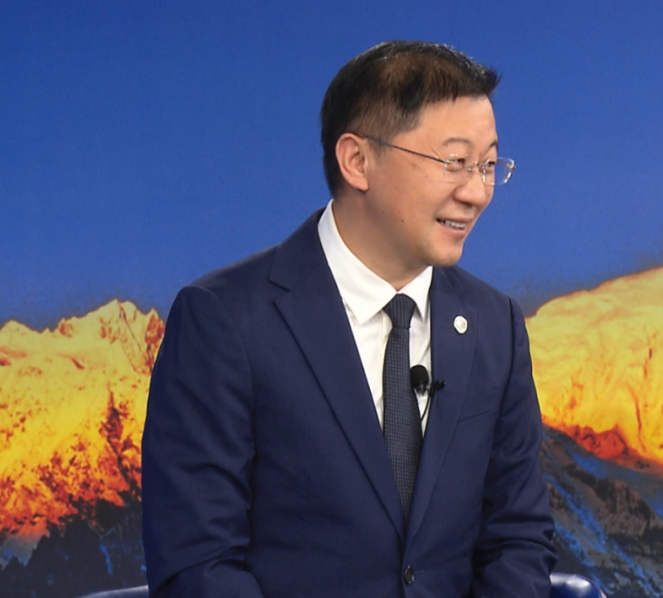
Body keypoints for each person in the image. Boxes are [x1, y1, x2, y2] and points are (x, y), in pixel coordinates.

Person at [141, 41, 557, 597]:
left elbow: (517, 537)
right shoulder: (226, 321)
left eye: (488, 166)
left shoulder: (494, 326)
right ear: (357, 161)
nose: (477, 192)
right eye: (454, 163)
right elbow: (199, 563)